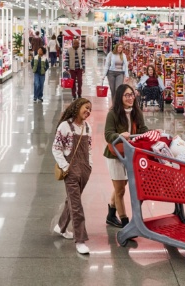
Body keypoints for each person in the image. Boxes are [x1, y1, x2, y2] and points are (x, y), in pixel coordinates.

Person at [103, 84, 149, 228]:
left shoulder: (136, 112)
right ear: (120, 97)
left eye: (132, 95)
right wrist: (119, 135)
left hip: (130, 154)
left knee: (121, 186)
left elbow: (143, 129)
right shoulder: (113, 114)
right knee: (121, 190)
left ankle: (111, 214)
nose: (130, 98)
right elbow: (108, 134)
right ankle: (124, 222)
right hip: (114, 154)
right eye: (127, 95)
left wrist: (151, 133)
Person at [52, 98, 93, 255]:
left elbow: (89, 148)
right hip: (70, 169)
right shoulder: (65, 126)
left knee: (71, 200)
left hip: (84, 169)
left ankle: (61, 227)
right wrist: (65, 166)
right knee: (76, 205)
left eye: (90, 110)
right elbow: (56, 148)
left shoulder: (87, 127)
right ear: (77, 107)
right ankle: (80, 240)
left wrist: (90, 165)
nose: (88, 111)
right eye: (86, 107)